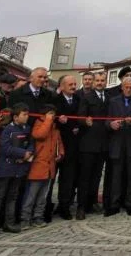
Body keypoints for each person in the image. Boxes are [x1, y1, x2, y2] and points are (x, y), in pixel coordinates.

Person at [0, 103, 34, 237]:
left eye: (27, 114)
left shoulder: (27, 128)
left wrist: (28, 153)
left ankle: (9, 223)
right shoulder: (7, 130)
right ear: (15, 117)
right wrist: (21, 153)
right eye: (24, 115)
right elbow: (5, 148)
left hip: (19, 169)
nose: (27, 117)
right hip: (6, 168)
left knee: (13, 197)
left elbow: (31, 143)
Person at [105, 77, 131, 216]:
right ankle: (115, 203)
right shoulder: (113, 101)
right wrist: (111, 124)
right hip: (117, 143)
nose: (128, 90)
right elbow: (106, 120)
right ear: (122, 87)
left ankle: (130, 203)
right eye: (126, 87)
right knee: (116, 176)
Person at [21, 104, 63, 229]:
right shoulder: (39, 125)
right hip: (38, 166)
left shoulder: (55, 128)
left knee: (43, 196)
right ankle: (25, 218)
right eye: (50, 114)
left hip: (50, 167)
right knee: (31, 195)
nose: (53, 116)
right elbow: (40, 135)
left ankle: (38, 217)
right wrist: (48, 122)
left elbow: (59, 143)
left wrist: (60, 153)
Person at [75, 72, 109, 220]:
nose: (100, 83)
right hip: (88, 143)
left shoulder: (109, 98)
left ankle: (92, 202)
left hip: (103, 143)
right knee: (85, 176)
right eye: (98, 81)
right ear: (93, 82)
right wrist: (84, 121)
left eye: (103, 80)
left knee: (96, 176)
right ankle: (81, 206)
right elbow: (80, 116)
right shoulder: (86, 97)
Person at [54, 75, 80, 220]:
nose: (73, 86)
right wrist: (58, 120)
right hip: (57, 143)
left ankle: (64, 206)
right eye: (70, 84)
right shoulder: (55, 100)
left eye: (75, 84)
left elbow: (81, 117)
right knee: (51, 178)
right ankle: (46, 206)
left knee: (68, 178)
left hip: (72, 145)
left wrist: (77, 126)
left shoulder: (78, 100)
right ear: (62, 86)